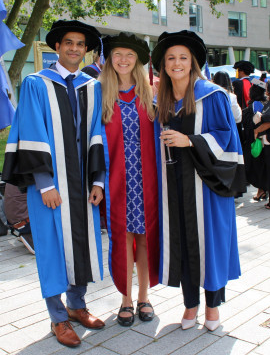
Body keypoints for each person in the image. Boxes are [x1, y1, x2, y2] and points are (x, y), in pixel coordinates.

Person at [2, 20, 106, 348]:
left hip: (83, 183)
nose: (74, 48)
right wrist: (45, 184)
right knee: (50, 249)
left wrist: (99, 180)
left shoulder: (92, 86)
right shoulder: (36, 84)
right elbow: (31, 131)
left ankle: (77, 306)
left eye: (80, 44)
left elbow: (96, 134)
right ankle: (58, 318)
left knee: (82, 245)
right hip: (50, 184)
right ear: (57, 47)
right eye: (68, 43)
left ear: (85, 50)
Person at [151, 30, 246, 332]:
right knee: (183, 243)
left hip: (207, 188)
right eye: (170, 58)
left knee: (210, 246)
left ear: (192, 62)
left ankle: (213, 307)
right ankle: (190, 304)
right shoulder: (162, 101)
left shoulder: (212, 95)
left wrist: (190, 141)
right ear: (163, 65)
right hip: (174, 186)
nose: (176, 63)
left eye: (182, 57)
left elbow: (228, 142)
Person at [99, 32, 159, 327]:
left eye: (130, 55)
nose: (123, 60)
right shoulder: (98, 94)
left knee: (146, 238)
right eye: (118, 54)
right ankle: (125, 298)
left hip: (147, 178)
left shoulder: (151, 94)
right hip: (117, 179)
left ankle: (144, 296)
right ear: (110, 59)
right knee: (122, 237)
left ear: (137, 61)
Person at [242, 79, 268, 202]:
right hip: (264, 142)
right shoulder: (265, 103)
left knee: (256, 168)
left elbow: (250, 127)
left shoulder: (253, 106)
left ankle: (261, 190)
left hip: (257, 141)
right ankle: (261, 190)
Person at [4, 183, 34, 254]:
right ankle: (31, 237)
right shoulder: (35, 173)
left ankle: (28, 235)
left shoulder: (12, 172)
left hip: (15, 221)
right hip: (25, 222)